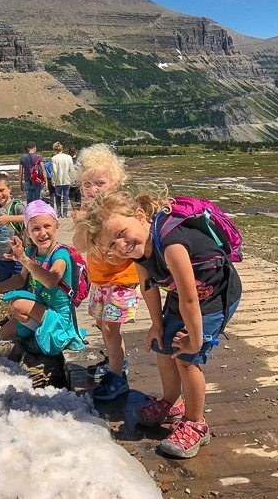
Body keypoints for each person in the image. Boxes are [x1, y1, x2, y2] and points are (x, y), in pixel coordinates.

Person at [77, 190, 242, 458]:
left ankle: (196, 423)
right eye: (112, 245)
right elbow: (148, 286)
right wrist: (156, 324)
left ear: (140, 216)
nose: (121, 245)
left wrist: (195, 340)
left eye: (121, 233)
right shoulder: (137, 251)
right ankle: (171, 402)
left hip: (214, 296)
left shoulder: (171, 244)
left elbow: (191, 299)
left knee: (187, 359)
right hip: (182, 295)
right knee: (164, 344)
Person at [72, 143, 140, 400]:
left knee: (111, 328)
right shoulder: (88, 212)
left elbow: (132, 244)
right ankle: (115, 362)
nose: (93, 190)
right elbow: (79, 246)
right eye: (87, 184)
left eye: (100, 183)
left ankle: (117, 377)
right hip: (99, 279)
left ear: (116, 182)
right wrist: (80, 224)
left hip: (122, 279)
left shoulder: (120, 208)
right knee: (103, 325)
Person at [0, 200, 85, 355]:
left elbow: (51, 281)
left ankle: (47, 335)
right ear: (28, 232)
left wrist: (24, 260)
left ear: (57, 226)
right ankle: (37, 332)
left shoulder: (60, 255)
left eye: (47, 226)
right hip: (42, 308)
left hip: (60, 316)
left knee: (18, 305)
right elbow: (21, 279)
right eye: (35, 229)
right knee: (1, 336)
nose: (42, 233)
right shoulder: (32, 252)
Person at [51, 142, 74, 217]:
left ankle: (59, 213)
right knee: (65, 198)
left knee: (58, 198)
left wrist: (53, 181)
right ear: (62, 149)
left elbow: (54, 171)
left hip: (58, 181)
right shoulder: (68, 157)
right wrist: (72, 178)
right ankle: (65, 213)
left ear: (54, 149)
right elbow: (71, 169)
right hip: (67, 180)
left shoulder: (54, 158)